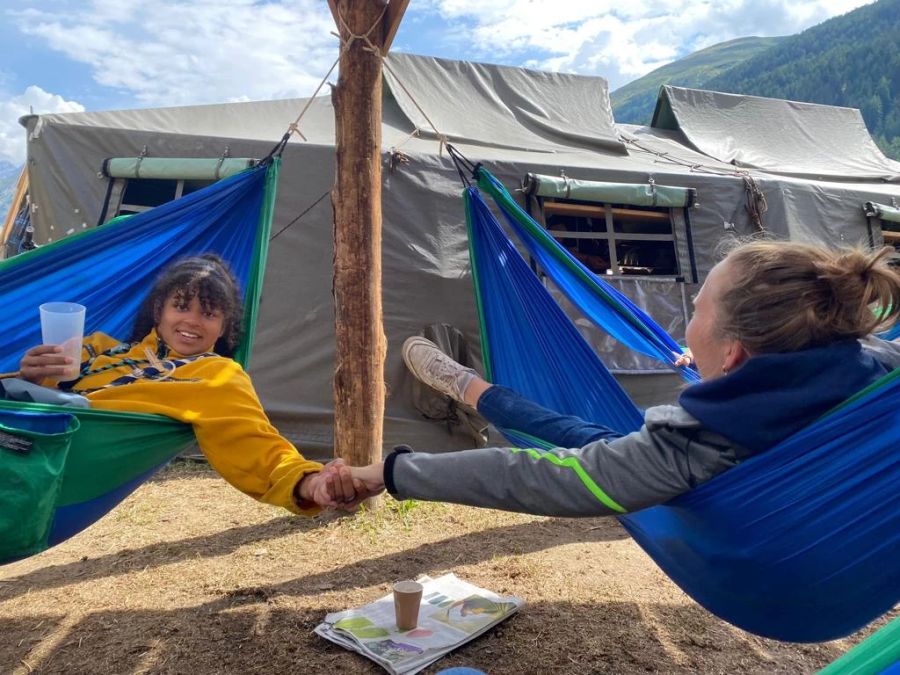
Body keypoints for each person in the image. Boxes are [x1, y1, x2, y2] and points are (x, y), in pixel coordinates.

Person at [344, 242, 900, 516]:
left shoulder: (698, 445)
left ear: (733, 353)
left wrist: (388, 471)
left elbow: (527, 475)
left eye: (697, 311)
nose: (687, 326)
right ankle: (470, 389)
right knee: (589, 435)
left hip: (725, 510)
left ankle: (471, 390)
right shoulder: (878, 372)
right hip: (817, 499)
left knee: (583, 445)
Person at [14, 254, 358, 513]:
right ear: (159, 310)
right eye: (181, 307)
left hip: (44, 463)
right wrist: (30, 376)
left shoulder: (214, 376)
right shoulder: (97, 347)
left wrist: (308, 481)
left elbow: (256, 443)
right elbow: (29, 392)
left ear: (223, 328)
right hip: (19, 436)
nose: (192, 322)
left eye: (208, 314)